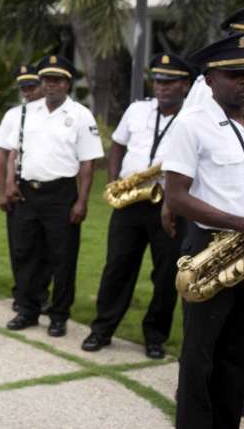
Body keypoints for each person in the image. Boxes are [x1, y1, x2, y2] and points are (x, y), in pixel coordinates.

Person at [163, 34, 244, 429]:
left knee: (240, 352)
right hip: (213, 247)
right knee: (200, 356)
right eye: (236, 74)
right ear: (208, 80)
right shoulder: (190, 125)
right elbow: (177, 196)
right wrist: (242, 224)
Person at [81, 53, 192, 360]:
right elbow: (118, 144)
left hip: (169, 205)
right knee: (117, 267)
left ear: (185, 84)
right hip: (130, 200)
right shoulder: (137, 109)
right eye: (158, 80)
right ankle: (102, 329)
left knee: (166, 273)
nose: (161, 87)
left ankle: (155, 337)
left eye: (169, 82)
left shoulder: (194, 118)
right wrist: (115, 179)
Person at [4, 55, 103, 337]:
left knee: (62, 258)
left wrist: (81, 201)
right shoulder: (28, 112)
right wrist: (10, 182)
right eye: (46, 79)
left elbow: (87, 163)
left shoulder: (80, 116)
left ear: (68, 83)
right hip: (27, 193)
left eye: (57, 80)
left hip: (61, 194)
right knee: (26, 254)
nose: (51, 85)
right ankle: (28, 310)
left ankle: (59, 315)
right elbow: (13, 152)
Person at [0, 64, 49, 312]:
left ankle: (39, 294)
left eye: (32, 86)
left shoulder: (49, 115)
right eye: (24, 87)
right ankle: (22, 293)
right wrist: (4, 188)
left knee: (44, 248)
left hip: (46, 186)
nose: (28, 91)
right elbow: (4, 154)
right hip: (16, 186)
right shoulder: (14, 115)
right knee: (20, 246)